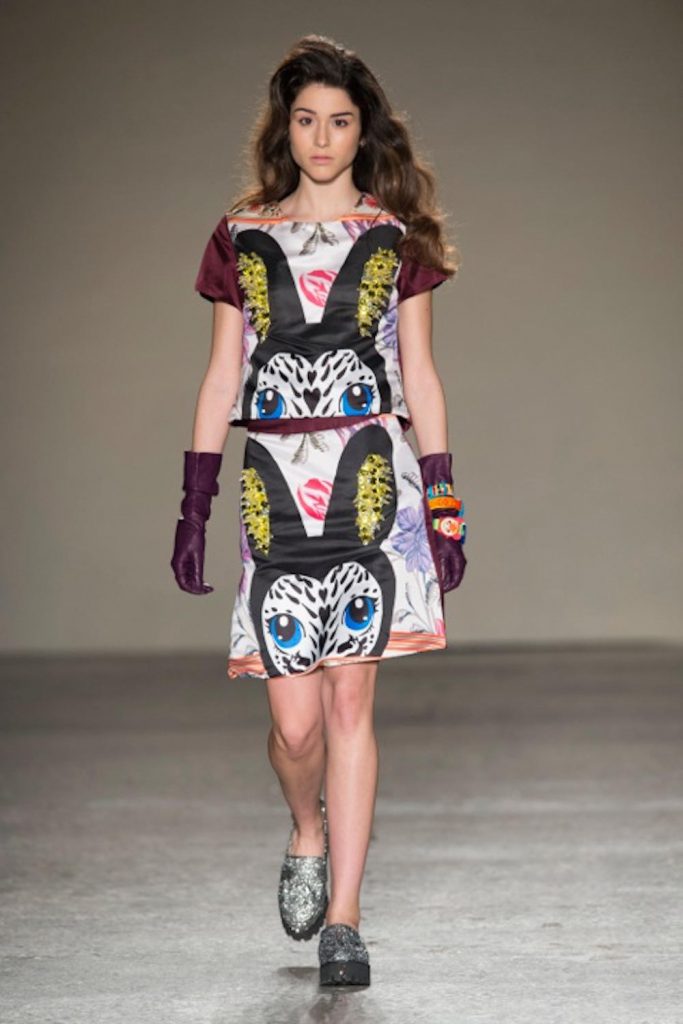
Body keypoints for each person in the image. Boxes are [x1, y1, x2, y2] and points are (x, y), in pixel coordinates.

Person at [171, 34, 467, 988]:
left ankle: (345, 918)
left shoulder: (393, 237)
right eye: (306, 119)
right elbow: (221, 375)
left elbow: (420, 373)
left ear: (362, 129)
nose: (323, 137)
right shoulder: (241, 235)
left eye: (340, 121)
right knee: (293, 727)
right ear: (284, 128)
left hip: (370, 478)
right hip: (274, 485)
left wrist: (443, 499)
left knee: (348, 703)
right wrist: (195, 501)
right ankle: (306, 827)